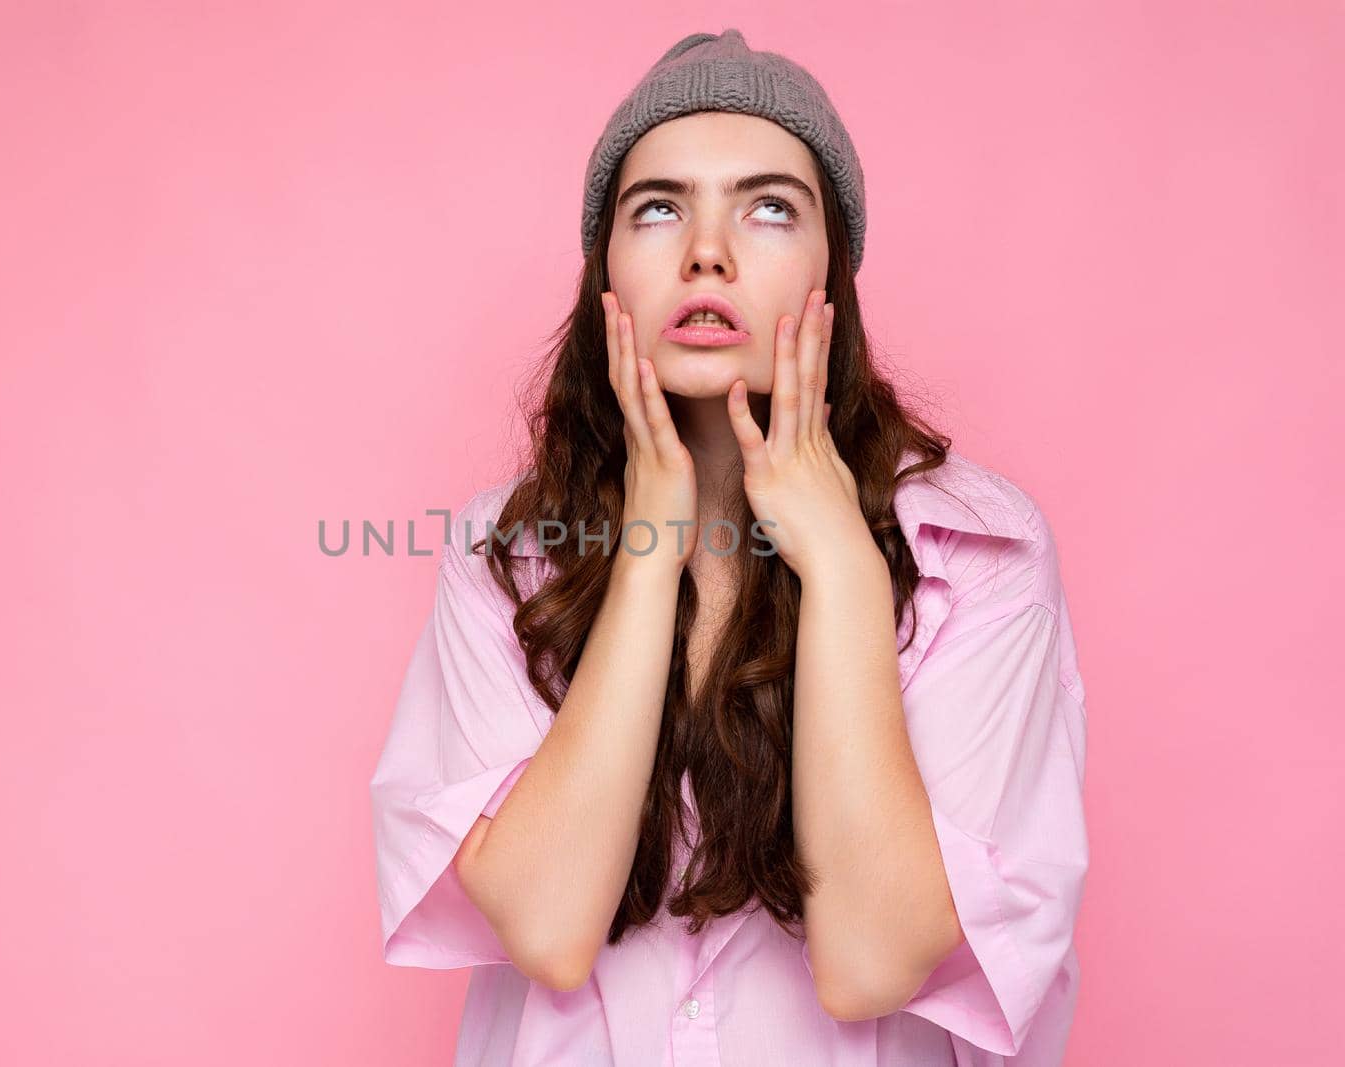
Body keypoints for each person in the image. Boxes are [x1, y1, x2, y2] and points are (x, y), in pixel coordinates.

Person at [369, 28, 1088, 1066]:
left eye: (768, 206)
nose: (707, 249)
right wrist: (648, 549)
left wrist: (840, 563)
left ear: (830, 269)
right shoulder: (506, 554)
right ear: (604, 272)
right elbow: (546, 920)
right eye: (658, 206)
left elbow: (874, 956)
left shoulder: (981, 553)